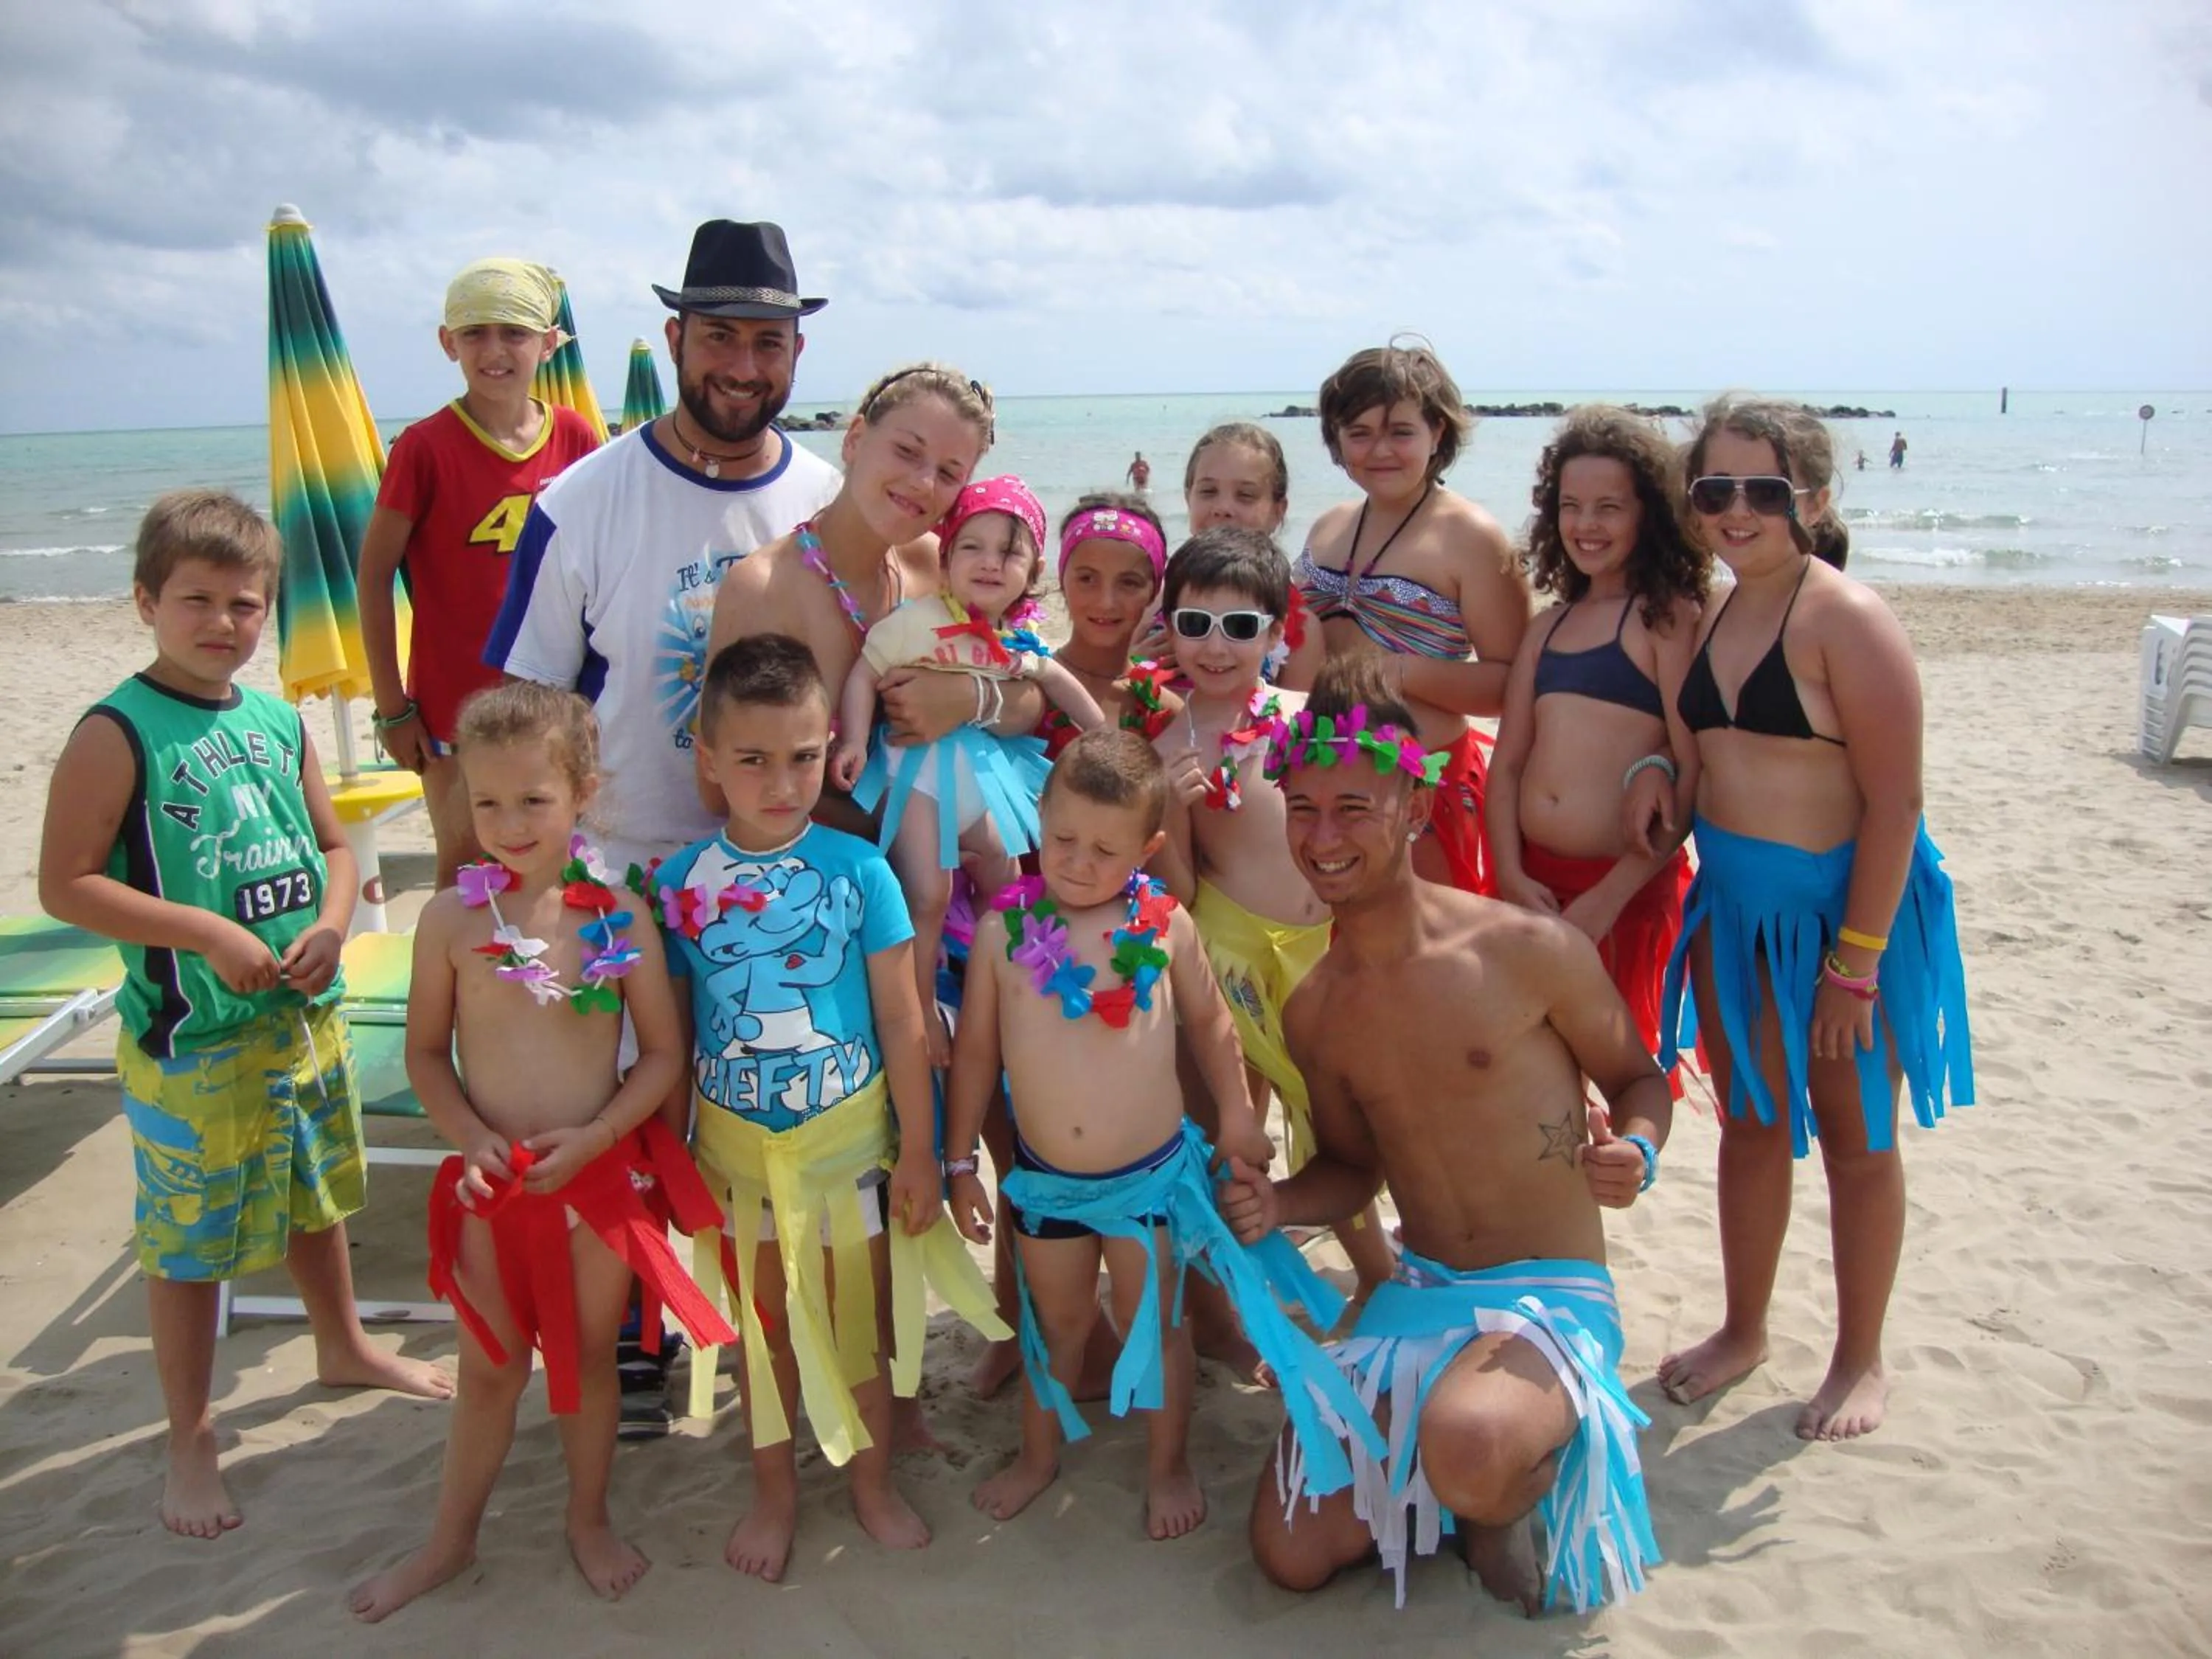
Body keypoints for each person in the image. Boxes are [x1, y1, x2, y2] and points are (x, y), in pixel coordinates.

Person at [1217, 653, 1671, 1616]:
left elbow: (1639, 1078)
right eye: (1303, 807)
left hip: (1548, 1295)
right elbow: (1351, 1167)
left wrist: (1637, 1148)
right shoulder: (1319, 1011)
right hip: (1421, 1296)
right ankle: (1460, 1469)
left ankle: (1497, 1487)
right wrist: (1279, 1203)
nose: (1323, 835)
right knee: (1291, 1550)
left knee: (1470, 1446)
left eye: (1354, 807)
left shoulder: (1525, 950)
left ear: (1417, 809)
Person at [37, 490, 451, 1541]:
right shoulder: (118, 729)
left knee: (317, 1196)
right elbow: (65, 882)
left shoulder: (274, 720)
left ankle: (343, 1341)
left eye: (246, 603)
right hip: (196, 1037)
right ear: (144, 601)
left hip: (300, 1016)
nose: (223, 622)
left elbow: (337, 847)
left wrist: (333, 915)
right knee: (189, 1244)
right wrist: (203, 932)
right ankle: (191, 1431)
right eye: (197, 600)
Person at [348, 684, 731, 1620]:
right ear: (460, 803)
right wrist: (471, 1137)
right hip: (496, 1183)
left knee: (590, 1355)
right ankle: (450, 1540)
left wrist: (602, 1134)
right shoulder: (448, 922)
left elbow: (665, 1055)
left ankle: (587, 1517)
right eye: (487, 803)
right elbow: (427, 1055)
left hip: (595, 1183)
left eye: (534, 800)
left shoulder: (618, 920)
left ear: (584, 794)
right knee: (490, 1363)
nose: (510, 823)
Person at [1630, 396, 1973, 1441]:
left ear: (1812, 499)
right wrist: (1657, 773)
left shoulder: (1847, 619)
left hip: (1842, 918)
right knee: (1752, 1124)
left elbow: (1896, 803)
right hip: (1734, 911)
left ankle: (1860, 1356)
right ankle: (1745, 1328)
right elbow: (1703, 758)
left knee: (1859, 1136)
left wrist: (1857, 964)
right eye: (1715, 490)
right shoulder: (1714, 609)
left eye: (1762, 491)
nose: (1736, 511)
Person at [942, 731, 1372, 1540]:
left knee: (1159, 1323)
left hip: (1150, 1182)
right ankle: (1037, 1459)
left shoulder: (1164, 924)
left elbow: (1212, 1025)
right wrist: (962, 1159)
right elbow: (973, 1055)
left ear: (1148, 848)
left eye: (1106, 850)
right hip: (1048, 1185)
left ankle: (1166, 1464)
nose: (1076, 861)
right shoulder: (1006, 931)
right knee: (1056, 1327)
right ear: (1039, 818)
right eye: (1063, 839)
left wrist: (1240, 1117)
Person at [658, 635, 1008, 1580]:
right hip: (737, 1159)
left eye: (803, 757)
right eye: (755, 760)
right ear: (708, 759)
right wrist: (671, 1155)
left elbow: (902, 1024)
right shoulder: (680, 883)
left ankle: (869, 1483)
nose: (782, 782)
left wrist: (924, 1152)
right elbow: (678, 1036)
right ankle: (774, 1493)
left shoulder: (863, 873)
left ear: (829, 749)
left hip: (852, 1145)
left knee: (864, 1326)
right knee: (761, 1331)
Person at [487, 219, 842, 876]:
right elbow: (528, 716)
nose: (743, 368)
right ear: (676, 339)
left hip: (794, 880)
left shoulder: (831, 504)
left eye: (768, 343)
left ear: (798, 350)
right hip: (620, 875)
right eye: (718, 338)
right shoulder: (579, 502)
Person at [1149, 526, 1393, 1289]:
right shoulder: (1164, 739)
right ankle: (1248, 1289)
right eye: (1194, 625)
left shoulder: (1307, 715)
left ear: (1277, 629)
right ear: (1170, 627)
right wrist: (1171, 811)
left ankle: (1377, 1274)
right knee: (1237, 1129)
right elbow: (1180, 891)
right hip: (1229, 954)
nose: (1215, 648)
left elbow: (1360, 828)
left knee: (1335, 1122)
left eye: (1240, 626)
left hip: (1323, 945)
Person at [705, 364, 1045, 840]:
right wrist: (910, 829)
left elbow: (1032, 694)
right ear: (855, 439)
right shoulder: (764, 590)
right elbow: (718, 788)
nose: (924, 483)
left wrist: (968, 698)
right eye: (907, 452)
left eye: (949, 473)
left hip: (950, 863)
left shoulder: (936, 566)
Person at [833, 476, 1104, 1060]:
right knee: (927, 894)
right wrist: (854, 740)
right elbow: (863, 672)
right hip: (917, 782)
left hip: (979, 781)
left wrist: (1105, 738)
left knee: (1005, 878)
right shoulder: (916, 620)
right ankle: (923, 1007)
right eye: (971, 547)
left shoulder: (1017, 640)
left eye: (1009, 552)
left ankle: (1001, 987)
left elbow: (1059, 684)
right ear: (946, 555)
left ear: (1032, 573)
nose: (989, 563)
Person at [358, 257, 600, 887]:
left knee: (563, 875)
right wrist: (392, 708)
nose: (494, 351)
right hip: (451, 713)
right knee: (466, 876)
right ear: (449, 344)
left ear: (548, 345)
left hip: (557, 706)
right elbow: (373, 576)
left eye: (514, 333)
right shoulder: (424, 448)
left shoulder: (575, 438)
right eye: (475, 334)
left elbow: (607, 564)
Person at [1487, 407, 1707, 1082]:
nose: (1587, 525)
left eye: (1609, 508)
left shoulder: (1664, 618)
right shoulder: (1548, 625)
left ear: (1650, 513)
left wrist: (1611, 895)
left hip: (1619, 892)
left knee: (1612, 1071)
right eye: (1572, 506)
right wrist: (1512, 876)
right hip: (1534, 886)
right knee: (1532, 1072)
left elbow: (1692, 767)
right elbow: (1508, 767)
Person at [1294, 344, 1531, 894]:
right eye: (1359, 433)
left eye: (1400, 431)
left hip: (1426, 786)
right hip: (1323, 785)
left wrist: (1394, 672)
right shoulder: (1328, 525)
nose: (1380, 450)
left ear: (1438, 435)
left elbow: (1513, 683)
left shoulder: (1472, 537)